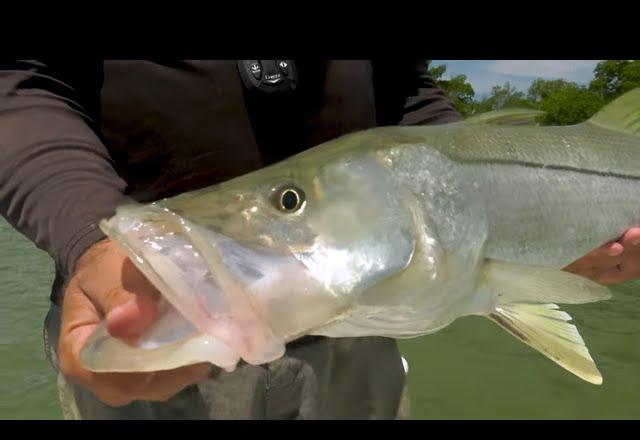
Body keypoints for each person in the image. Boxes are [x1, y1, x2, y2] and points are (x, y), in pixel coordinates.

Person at [0, 60, 638, 420]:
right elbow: (20, 82)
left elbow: (405, 93)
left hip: (359, 351)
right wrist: (89, 230)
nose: (285, 205)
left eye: (288, 204)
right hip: (138, 309)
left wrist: (531, 219)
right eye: (288, 201)